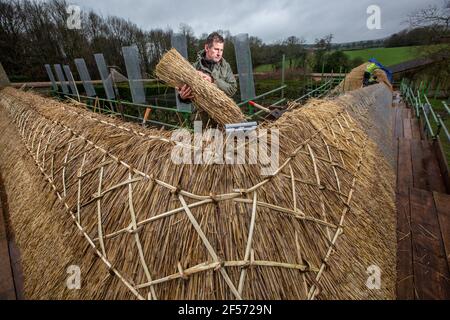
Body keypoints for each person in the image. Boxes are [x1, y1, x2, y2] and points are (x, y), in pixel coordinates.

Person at [178, 32, 237, 103]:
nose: (219, 54)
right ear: (206, 48)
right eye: (216, 49)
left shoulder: (226, 66)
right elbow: (188, 94)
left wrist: (213, 81)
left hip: (221, 111)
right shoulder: (193, 68)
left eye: (221, 50)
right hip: (201, 112)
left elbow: (232, 89)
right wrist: (182, 98)